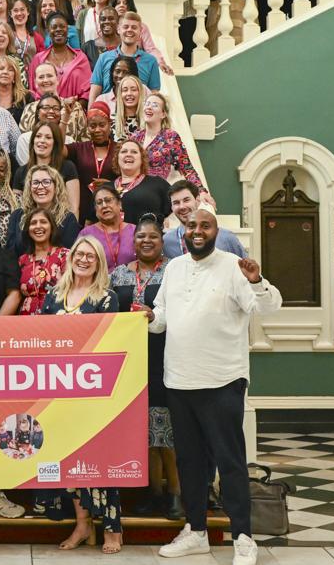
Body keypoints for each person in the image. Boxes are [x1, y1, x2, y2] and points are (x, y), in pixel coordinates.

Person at [148, 204, 283, 564]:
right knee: (190, 463)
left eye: (205, 226)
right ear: (183, 230)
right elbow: (161, 318)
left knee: (231, 461)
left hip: (223, 380)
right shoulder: (174, 268)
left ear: (216, 231)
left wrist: (256, 281)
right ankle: (196, 532)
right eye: (192, 225)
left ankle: (243, 536)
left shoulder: (233, 267)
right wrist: (149, 317)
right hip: (179, 380)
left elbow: (268, 308)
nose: (198, 231)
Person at [41, 237, 123, 553]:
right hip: (59, 394)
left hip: (94, 394)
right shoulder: (54, 296)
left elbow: (108, 341)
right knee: (69, 461)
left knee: (102, 461)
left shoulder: (106, 297)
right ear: (71, 257)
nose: (84, 259)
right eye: (80, 254)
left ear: (99, 262)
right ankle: (82, 524)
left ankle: (113, 530)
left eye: (91, 255)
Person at [110, 215, 182, 519]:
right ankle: (152, 493)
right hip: (130, 363)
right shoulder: (117, 275)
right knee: (145, 432)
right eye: (141, 237)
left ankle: (176, 494)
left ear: (161, 239)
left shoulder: (174, 272)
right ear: (133, 241)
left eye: (153, 236)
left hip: (166, 359)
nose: (147, 241)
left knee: (166, 430)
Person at [163, 181, 248, 259]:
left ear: (198, 200)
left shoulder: (226, 238)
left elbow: (248, 271)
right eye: (176, 203)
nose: (182, 206)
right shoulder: (166, 242)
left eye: (186, 200)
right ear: (172, 207)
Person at [90, 12, 162, 102]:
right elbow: (94, 93)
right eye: (125, 27)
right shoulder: (104, 58)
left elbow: (154, 95)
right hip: (108, 112)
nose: (129, 30)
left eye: (134, 27)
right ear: (118, 29)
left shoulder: (151, 61)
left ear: (140, 32)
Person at [8, 164, 81, 249]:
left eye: (46, 182)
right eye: (35, 183)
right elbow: (9, 253)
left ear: (56, 187)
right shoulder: (17, 216)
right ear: (29, 188)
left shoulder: (68, 219)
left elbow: (69, 254)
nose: (40, 187)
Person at [14, 122, 81, 216]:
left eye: (48, 137)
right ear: (33, 141)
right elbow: (18, 209)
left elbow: (73, 209)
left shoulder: (68, 167)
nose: (42, 140)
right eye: (38, 136)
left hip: (62, 225)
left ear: (55, 143)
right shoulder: (21, 172)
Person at [70, 101, 119, 223]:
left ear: (110, 124)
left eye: (102, 125)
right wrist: (66, 117)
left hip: (111, 211)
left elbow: (132, 179)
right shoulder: (79, 148)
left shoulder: (120, 149)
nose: (97, 130)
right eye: (92, 126)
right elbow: (57, 149)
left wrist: (112, 185)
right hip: (84, 211)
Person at [29, 13, 92, 106]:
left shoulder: (81, 58)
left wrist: (73, 111)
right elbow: (33, 91)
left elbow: (87, 92)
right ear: (48, 31)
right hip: (46, 112)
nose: (58, 29)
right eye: (54, 27)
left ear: (68, 29)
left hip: (75, 113)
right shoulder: (38, 59)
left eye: (62, 26)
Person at [16, 206, 70, 315]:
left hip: (56, 318)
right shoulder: (22, 260)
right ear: (28, 229)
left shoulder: (65, 255)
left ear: (51, 227)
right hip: (26, 320)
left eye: (43, 222)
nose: (38, 226)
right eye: (33, 223)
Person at [113, 139, 172, 224]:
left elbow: (178, 207)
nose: (128, 154)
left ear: (142, 159)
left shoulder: (158, 184)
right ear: (117, 158)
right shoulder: (106, 188)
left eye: (134, 152)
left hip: (146, 236)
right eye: (124, 151)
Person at [79, 182, 135, 269]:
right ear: (96, 210)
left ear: (119, 204)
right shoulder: (87, 234)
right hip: (99, 282)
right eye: (99, 202)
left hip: (132, 281)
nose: (104, 205)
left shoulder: (134, 231)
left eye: (108, 200)